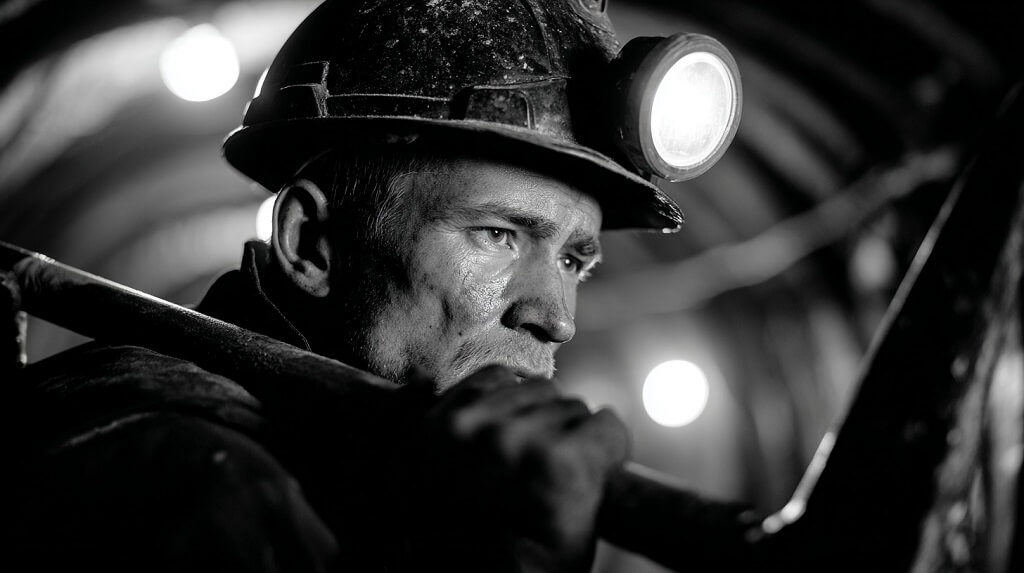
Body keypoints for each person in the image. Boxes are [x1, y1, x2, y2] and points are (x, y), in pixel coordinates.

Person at [5, 0, 743, 571]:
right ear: (311, 244)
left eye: (575, 261)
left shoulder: (364, 471)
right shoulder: (190, 485)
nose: (554, 317)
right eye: (499, 235)